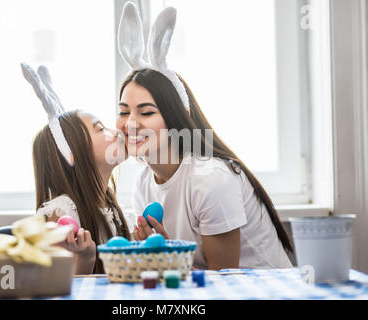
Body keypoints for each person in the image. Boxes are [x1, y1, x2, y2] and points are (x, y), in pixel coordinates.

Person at [115, 3, 293, 270]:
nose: (130, 123)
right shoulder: (144, 183)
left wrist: (169, 258)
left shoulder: (211, 179)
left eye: (146, 112)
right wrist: (163, 252)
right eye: (123, 111)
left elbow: (222, 280)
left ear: (179, 116)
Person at [21, 63, 130, 274]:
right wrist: (84, 261)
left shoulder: (110, 207)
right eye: (101, 129)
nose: (115, 131)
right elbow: (57, 290)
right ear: (76, 154)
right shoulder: (61, 212)